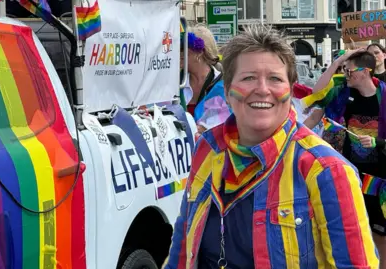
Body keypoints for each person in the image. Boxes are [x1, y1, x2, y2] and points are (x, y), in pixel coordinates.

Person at [162, 24, 378, 269]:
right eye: (248, 78)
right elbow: (181, 251)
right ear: (228, 91)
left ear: (290, 89)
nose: (262, 90)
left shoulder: (326, 170)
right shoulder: (206, 149)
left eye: (275, 78)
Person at [303, 48, 386, 268]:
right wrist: (339, 60)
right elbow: (316, 97)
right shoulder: (340, 92)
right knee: (351, 228)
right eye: (344, 70)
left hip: (378, 178)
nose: (346, 74)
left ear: (365, 71)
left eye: (349, 71)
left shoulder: (384, 95)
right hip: (347, 173)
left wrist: (377, 142)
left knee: (380, 232)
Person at [179, 24, 230, 135]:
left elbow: (217, 125)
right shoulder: (175, 83)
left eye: (183, 48)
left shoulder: (222, 85)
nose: (179, 53)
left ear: (200, 52)